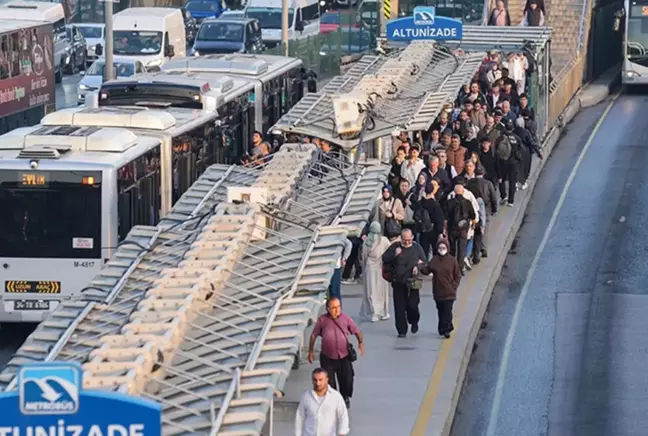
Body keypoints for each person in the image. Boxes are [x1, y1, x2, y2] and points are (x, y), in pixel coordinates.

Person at [308, 298, 364, 409]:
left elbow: (357, 331)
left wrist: (360, 343)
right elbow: (314, 335)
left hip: (344, 357)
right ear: (328, 309)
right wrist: (311, 351)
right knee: (330, 382)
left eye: (338, 307)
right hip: (328, 357)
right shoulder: (322, 320)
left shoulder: (346, 319)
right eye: (333, 308)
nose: (336, 310)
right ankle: (334, 401)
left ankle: (345, 397)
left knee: (347, 379)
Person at [382, 228, 427, 337]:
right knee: (399, 307)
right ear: (401, 238)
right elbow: (384, 258)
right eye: (404, 240)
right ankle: (401, 330)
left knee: (413, 304)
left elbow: (424, 261)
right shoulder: (395, 247)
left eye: (409, 240)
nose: (406, 242)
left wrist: (418, 266)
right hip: (398, 281)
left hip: (413, 281)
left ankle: (414, 321)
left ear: (412, 238)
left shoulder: (417, 247)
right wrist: (394, 255)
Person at [420, 239, 462, 338]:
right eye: (440, 248)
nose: (441, 250)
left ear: (447, 248)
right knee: (441, 310)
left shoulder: (452, 260)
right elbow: (427, 270)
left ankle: (447, 329)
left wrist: (454, 286)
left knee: (447, 311)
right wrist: (420, 266)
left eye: (444, 248)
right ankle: (443, 327)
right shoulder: (434, 260)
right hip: (438, 292)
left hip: (449, 292)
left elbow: (458, 275)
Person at [295, 367, 350, 436]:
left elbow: (343, 416)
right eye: (315, 380)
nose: (318, 383)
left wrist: (342, 433)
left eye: (321, 380)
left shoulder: (336, 397)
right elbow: (300, 417)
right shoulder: (306, 396)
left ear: (327, 379)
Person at [359, 222, 392, 322]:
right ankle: (383, 312)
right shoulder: (385, 240)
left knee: (371, 290)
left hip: (370, 267)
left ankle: (373, 313)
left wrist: (364, 267)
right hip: (382, 267)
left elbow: (363, 256)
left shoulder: (367, 242)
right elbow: (390, 252)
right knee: (382, 290)